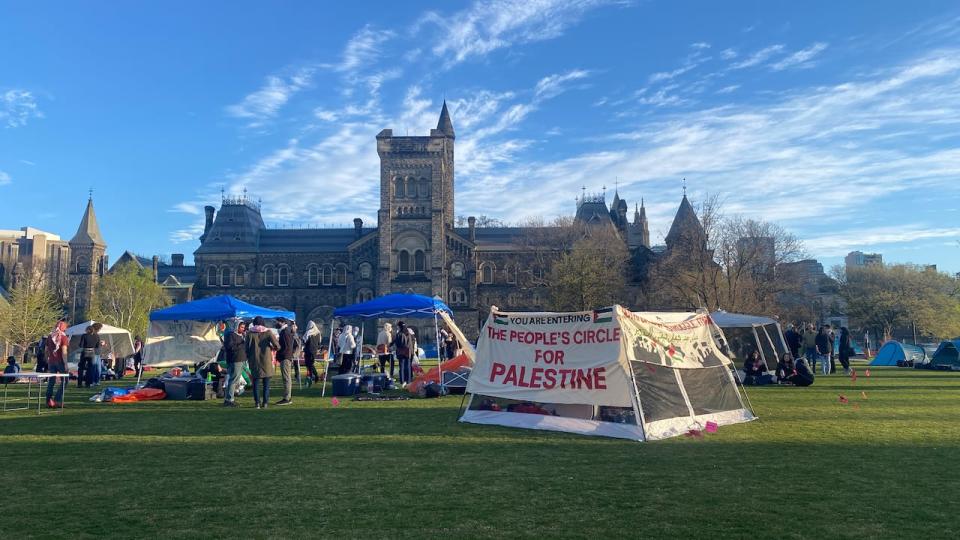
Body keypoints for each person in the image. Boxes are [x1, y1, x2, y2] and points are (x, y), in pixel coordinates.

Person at [245, 316, 279, 409]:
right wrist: (272, 348)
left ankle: (257, 403)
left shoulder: (249, 333)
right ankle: (265, 403)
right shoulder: (268, 332)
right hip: (266, 360)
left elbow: (246, 348)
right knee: (266, 384)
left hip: (254, 360)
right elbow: (277, 345)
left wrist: (249, 356)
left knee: (255, 383)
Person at [44, 319, 70, 408]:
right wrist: (66, 364)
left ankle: (48, 400)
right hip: (60, 361)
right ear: (64, 328)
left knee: (51, 381)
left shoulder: (50, 336)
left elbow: (46, 350)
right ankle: (57, 400)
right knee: (65, 381)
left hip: (51, 361)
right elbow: (64, 352)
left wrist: (48, 359)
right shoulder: (63, 337)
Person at [222, 320, 247, 407]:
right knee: (233, 379)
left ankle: (228, 399)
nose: (243, 329)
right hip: (235, 360)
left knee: (234, 379)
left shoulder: (242, 335)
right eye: (241, 327)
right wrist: (242, 344)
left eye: (244, 327)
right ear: (237, 326)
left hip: (240, 359)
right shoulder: (231, 335)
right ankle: (229, 399)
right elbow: (230, 347)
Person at [275, 318, 297, 406]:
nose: (276, 323)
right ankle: (287, 397)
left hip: (285, 357)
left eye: (278, 321)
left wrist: (278, 350)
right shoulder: (285, 331)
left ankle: (287, 398)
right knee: (286, 377)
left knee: (286, 378)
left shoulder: (285, 332)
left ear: (283, 322)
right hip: (286, 356)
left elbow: (286, 346)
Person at [77, 323, 102, 388]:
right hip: (92, 352)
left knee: (81, 367)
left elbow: (81, 345)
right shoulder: (96, 336)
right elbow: (98, 346)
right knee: (90, 368)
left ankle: (79, 383)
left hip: (84, 352)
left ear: (87, 330)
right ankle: (88, 383)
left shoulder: (84, 336)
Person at [393, 321, 416, 387]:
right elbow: (413, 341)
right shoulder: (409, 333)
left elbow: (398, 344)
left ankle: (402, 381)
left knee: (402, 367)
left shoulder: (399, 334)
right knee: (408, 366)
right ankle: (409, 380)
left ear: (399, 326)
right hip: (409, 351)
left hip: (401, 352)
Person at [302, 321, 323, 386]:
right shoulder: (318, 333)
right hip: (314, 351)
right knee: (310, 364)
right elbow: (319, 342)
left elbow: (304, 341)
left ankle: (315, 376)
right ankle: (311, 376)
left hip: (308, 350)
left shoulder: (308, 333)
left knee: (309, 364)